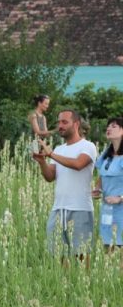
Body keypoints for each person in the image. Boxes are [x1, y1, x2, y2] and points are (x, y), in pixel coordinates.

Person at [33, 109, 97, 267]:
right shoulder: (59, 149)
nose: (60, 126)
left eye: (64, 122)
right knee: (58, 253)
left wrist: (50, 155)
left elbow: (78, 165)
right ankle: (66, 286)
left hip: (80, 207)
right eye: (59, 122)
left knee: (81, 253)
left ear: (76, 124)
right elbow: (50, 177)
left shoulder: (88, 146)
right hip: (58, 208)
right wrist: (42, 162)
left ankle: (84, 287)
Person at [92, 117, 123, 253]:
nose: (108, 129)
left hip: (121, 210)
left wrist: (120, 197)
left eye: (114, 126)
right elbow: (102, 174)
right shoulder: (106, 154)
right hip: (107, 209)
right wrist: (98, 188)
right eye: (108, 126)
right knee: (108, 247)